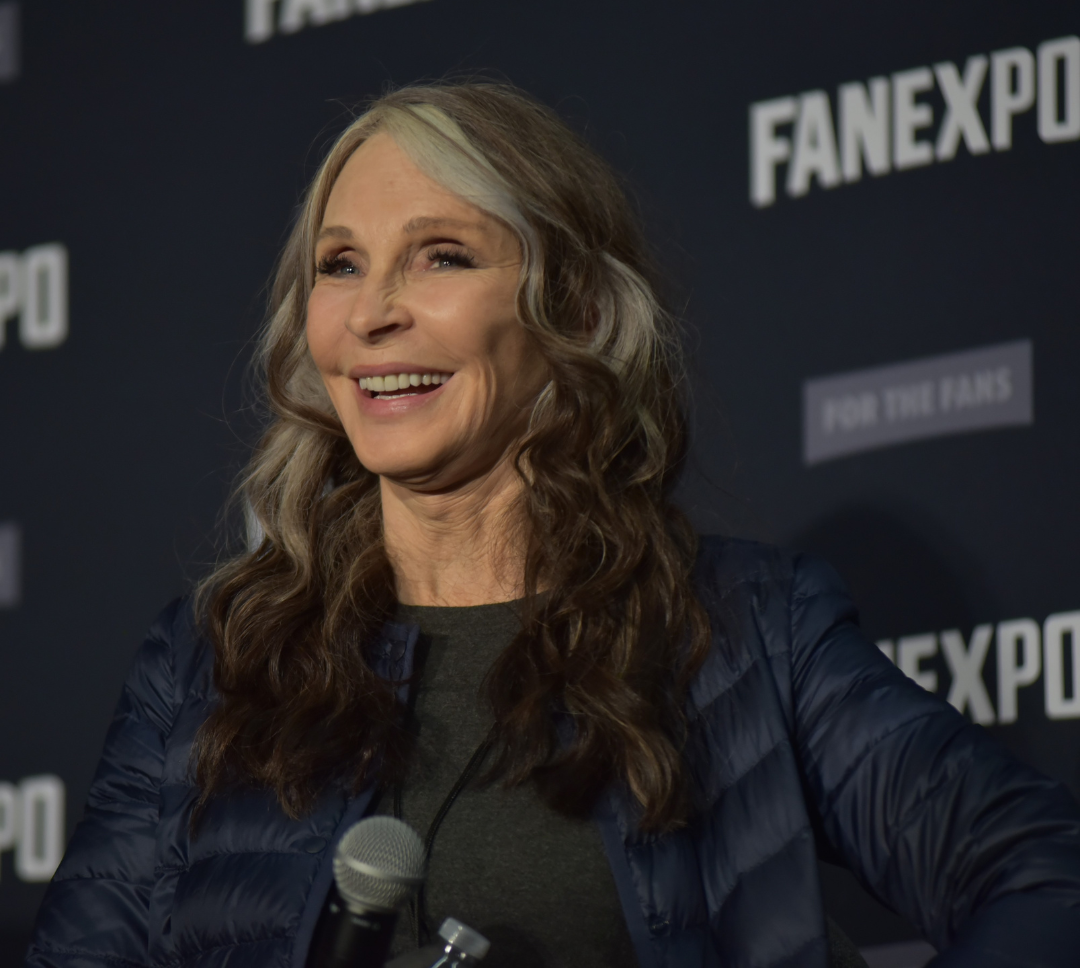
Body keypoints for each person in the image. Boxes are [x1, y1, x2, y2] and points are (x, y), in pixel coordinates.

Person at [24, 83, 1080, 968]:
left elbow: (1041, 873)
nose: (374, 310)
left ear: (573, 311)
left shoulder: (743, 633)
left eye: (441, 256)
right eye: (338, 264)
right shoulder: (207, 670)